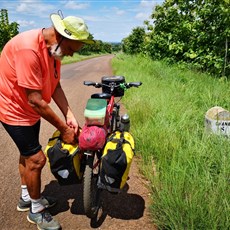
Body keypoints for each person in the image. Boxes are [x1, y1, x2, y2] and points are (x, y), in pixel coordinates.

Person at [0, 11, 95, 230]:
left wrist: (69, 113)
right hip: (14, 111)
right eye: (71, 49)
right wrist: (63, 129)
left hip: (29, 111)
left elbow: (55, 86)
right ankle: (37, 210)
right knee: (37, 160)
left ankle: (26, 198)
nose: (71, 55)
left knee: (27, 155)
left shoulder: (55, 51)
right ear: (61, 36)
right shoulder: (28, 49)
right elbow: (35, 100)